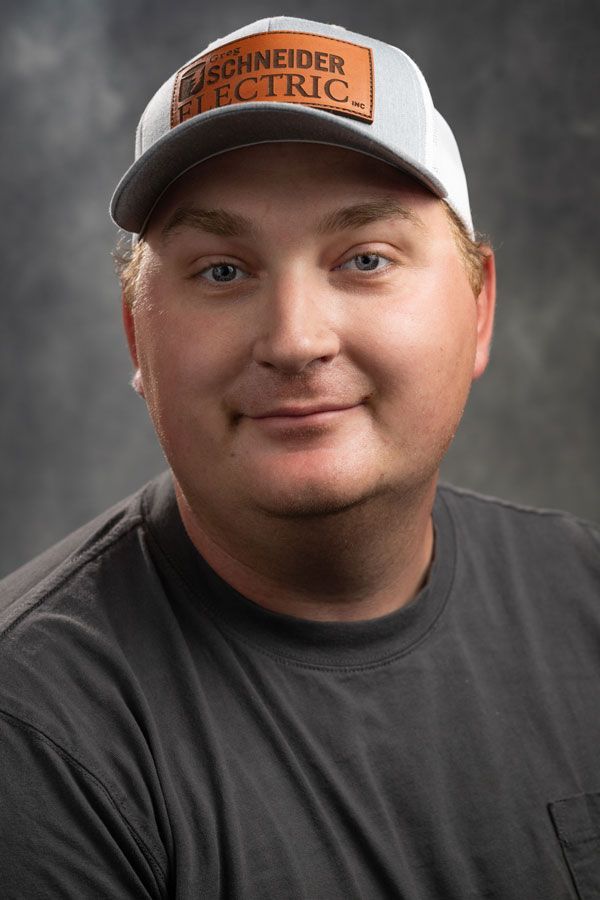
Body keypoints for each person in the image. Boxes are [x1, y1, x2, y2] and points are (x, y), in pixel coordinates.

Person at [0, 14, 598, 899]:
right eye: (222, 272)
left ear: (478, 309)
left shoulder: (586, 597)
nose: (294, 340)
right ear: (136, 333)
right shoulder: (35, 729)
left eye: (364, 258)